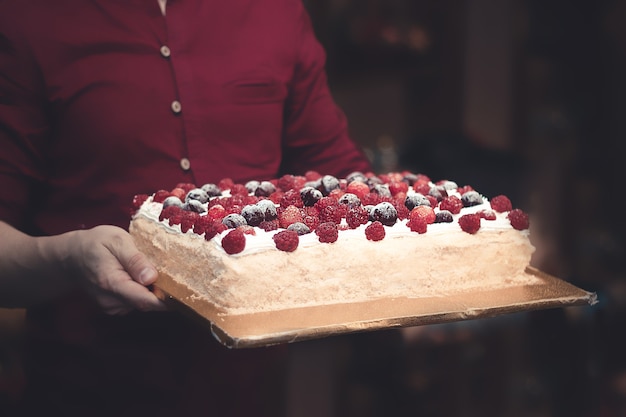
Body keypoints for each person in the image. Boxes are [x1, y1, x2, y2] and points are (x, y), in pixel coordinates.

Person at [0, 1, 371, 416]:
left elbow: (346, 182)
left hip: (249, 389)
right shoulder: (25, 17)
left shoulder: (275, 10)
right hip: (85, 386)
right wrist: (68, 257)